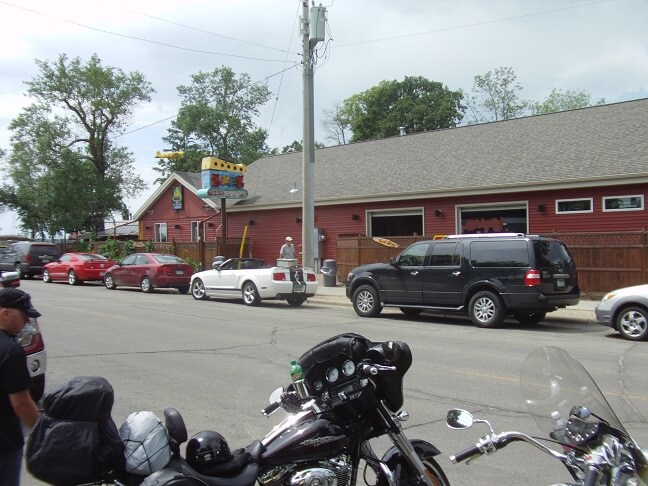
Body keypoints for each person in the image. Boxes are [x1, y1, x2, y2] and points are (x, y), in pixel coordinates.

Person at [0, 288, 41, 486]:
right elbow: (22, 404)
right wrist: (43, 433)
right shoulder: (10, 351)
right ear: (5, 312)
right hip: (4, 443)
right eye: (23, 316)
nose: (26, 322)